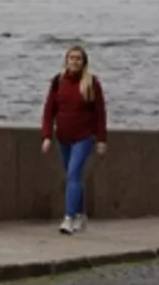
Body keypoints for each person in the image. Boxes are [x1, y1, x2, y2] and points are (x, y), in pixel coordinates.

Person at [40, 44, 108, 234]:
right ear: (66, 61)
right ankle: (80, 215)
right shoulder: (58, 81)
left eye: (78, 58)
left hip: (84, 137)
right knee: (74, 176)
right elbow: (48, 111)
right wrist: (46, 136)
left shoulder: (91, 83)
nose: (74, 61)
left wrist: (101, 140)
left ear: (84, 62)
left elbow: (100, 114)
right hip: (63, 137)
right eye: (71, 58)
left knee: (72, 174)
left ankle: (68, 218)